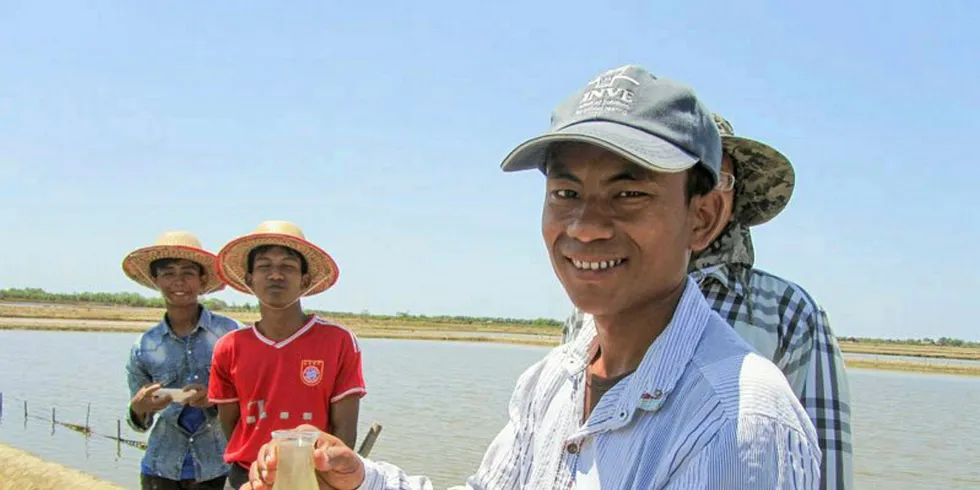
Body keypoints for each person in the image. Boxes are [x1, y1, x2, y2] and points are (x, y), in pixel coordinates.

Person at [240, 65, 821, 489]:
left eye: (628, 193)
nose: (587, 226)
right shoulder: (554, 381)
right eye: (566, 192)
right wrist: (361, 479)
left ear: (704, 216)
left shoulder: (736, 421)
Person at [560, 113, 853, 489]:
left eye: (716, 176)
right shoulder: (596, 300)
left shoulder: (787, 312)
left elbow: (824, 469)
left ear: (718, 206)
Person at [207, 220, 366, 490]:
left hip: (313, 478)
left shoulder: (338, 342)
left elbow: (345, 430)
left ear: (304, 280)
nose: (276, 275)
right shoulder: (229, 347)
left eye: (288, 267)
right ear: (249, 280)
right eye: (264, 266)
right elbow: (231, 424)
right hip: (246, 477)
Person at [122, 231, 241, 490]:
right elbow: (137, 422)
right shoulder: (145, 346)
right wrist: (140, 408)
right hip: (161, 468)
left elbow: (255, 402)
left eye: (188, 272)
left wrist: (215, 399)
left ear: (202, 280)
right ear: (156, 280)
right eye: (168, 273)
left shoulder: (232, 336)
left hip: (220, 467)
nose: (179, 281)